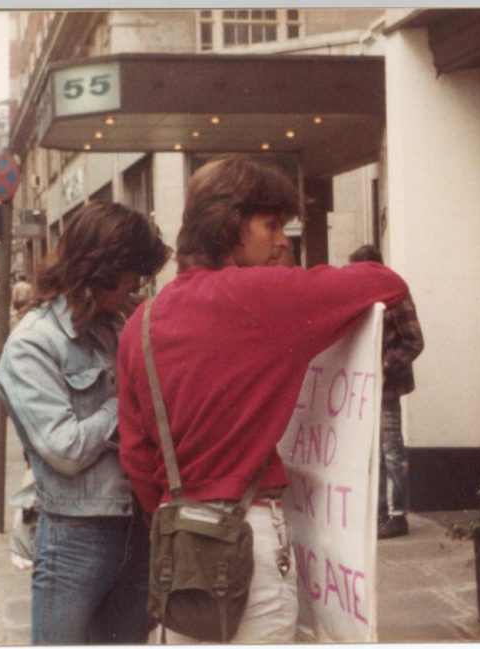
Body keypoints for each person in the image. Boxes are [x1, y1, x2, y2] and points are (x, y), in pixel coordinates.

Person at [117, 155, 409, 643]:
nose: (282, 240)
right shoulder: (262, 297)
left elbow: (135, 456)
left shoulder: (139, 324)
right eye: (271, 225)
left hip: (177, 546)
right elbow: (386, 284)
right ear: (229, 225)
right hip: (249, 534)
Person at [0, 200, 170, 645]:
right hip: (76, 537)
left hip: (136, 524)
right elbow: (64, 449)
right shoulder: (32, 345)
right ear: (100, 270)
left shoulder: (118, 323)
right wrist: (125, 404)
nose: (137, 285)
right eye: (131, 273)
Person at [348, 244, 424, 539]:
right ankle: (381, 514)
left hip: (386, 385)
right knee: (374, 453)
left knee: (391, 450)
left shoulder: (396, 296)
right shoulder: (363, 296)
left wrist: (384, 365)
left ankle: (397, 515)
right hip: (365, 385)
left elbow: (414, 341)